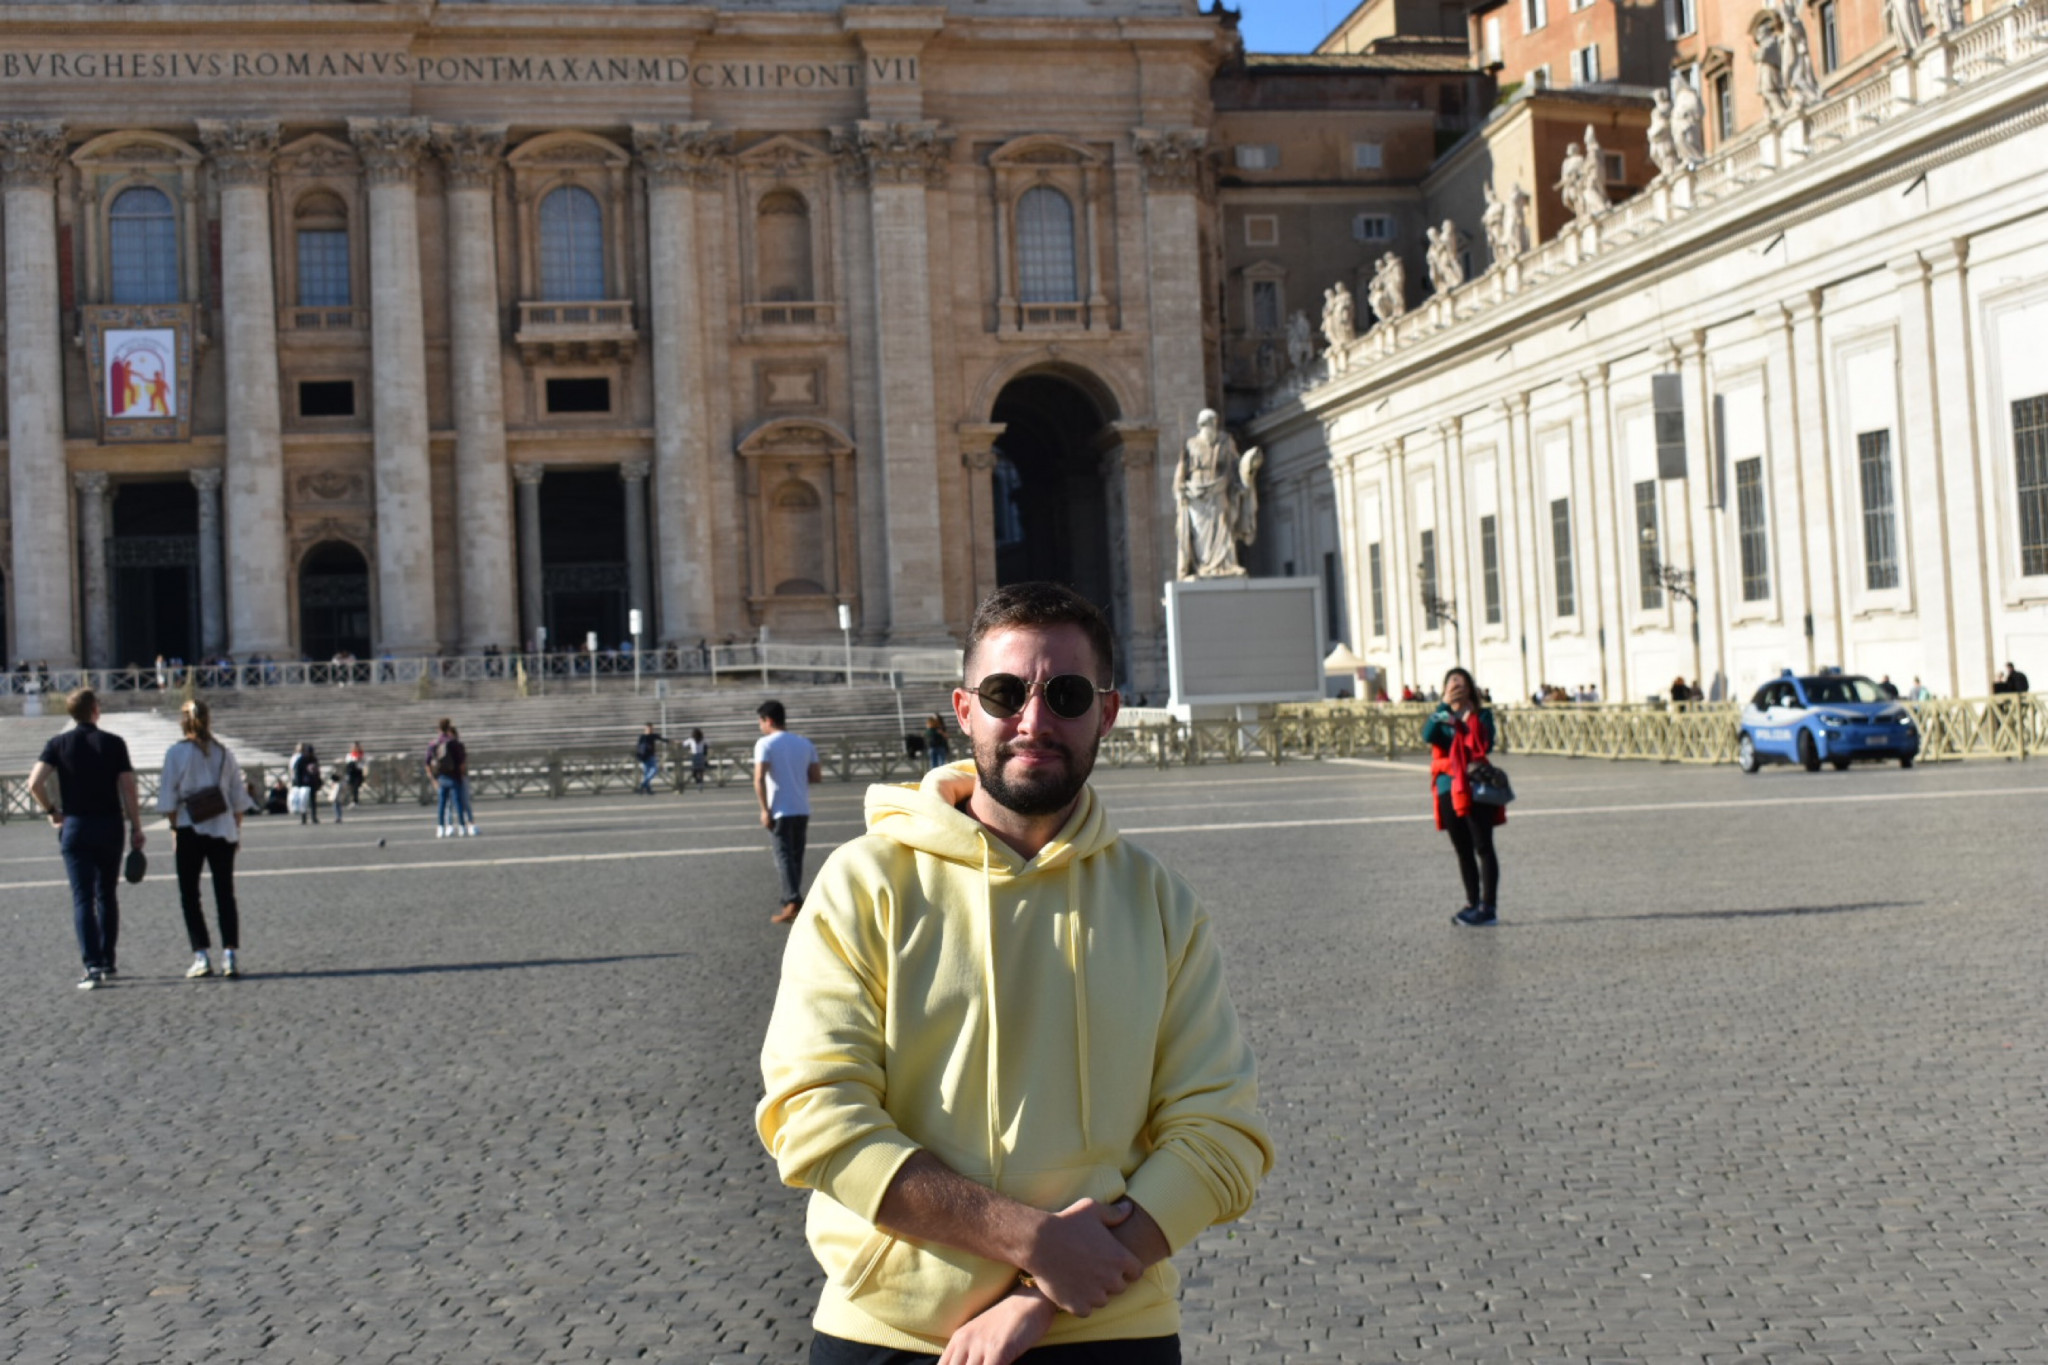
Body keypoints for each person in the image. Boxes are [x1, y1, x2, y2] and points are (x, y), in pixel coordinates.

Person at [757, 582, 1273, 1364]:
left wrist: (1044, 1292)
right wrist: (1031, 1240)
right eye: (1005, 693)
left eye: (1067, 695)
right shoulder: (863, 884)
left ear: (1108, 712)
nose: (1034, 720)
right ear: (964, 710)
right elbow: (813, 1115)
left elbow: (1222, 1132)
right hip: (893, 1328)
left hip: (1109, 1327)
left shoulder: (1161, 904)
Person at [26, 689, 146, 990]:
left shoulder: (58, 744)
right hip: (110, 825)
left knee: (83, 898)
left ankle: (91, 965)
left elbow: (34, 783)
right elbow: (129, 788)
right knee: (107, 894)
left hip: (76, 826)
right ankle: (107, 960)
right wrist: (136, 827)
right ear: (95, 709)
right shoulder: (114, 743)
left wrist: (52, 811)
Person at [158, 699, 251, 980]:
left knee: (190, 895)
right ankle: (230, 954)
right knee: (225, 893)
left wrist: (174, 829)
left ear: (183, 721)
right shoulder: (224, 753)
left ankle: (201, 955)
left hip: (190, 828)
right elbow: (238, 798)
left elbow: (168, 798)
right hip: (223, 828)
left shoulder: (176, 753)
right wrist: (236, 831)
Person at [1425, 667, 1506, 927]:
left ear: (1470, 687)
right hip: (1448, 787)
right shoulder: (1442, 715)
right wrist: (1444, 705)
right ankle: (1472, 903)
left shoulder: (1482, 715)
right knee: (1462, 849)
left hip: (1475, 785)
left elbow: (1485, 744)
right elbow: (1428, 735)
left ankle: (1488, 907)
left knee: (1483, 846)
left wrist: (1469, 717)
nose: (1456, 687)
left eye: (1460, 683)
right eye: (1451, 684)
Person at [753, 699, 821, 925]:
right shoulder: (804, 743)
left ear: (769, 720)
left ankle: (791, 902)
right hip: (801, 807)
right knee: (796, 857)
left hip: (780, 809)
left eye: (761, 721)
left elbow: (759, 778)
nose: (760, 726)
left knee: (783, 857)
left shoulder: (765, 744)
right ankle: (794, 901)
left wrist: (764, 809)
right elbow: (816, 776)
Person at [427, 718, 475, 837]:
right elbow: (461, 763)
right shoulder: (454, 743)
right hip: (454, 776)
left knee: (442, 804)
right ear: (449, 728)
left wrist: (433, 778)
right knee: (458, 802)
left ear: (438, 729)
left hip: (441, 777)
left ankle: (441, 827)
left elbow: (427, 762)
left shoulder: (434, 743)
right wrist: (462, 776)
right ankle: (462, 827)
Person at [290, 743, 324, 825]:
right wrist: (299, 783)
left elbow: (317, 771)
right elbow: (297, 772)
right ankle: (304, 817)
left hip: (312, 783)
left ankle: (314, 817)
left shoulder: (314, 759)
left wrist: (319, 781)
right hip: (304, 784)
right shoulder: (301, 760)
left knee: (313, 801)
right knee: (303, 801)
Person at [635, 722, 664, 795]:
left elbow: (662, 739)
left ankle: (642, 785)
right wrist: (639, 755)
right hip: (645, 757)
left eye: (651, 729)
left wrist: (672, 741)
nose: (650, 730)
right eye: (649, 728)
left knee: (654, 770)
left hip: (651, 756)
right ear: (645, 728)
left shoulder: (653, 735)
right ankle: (648, 789)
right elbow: (638, 746)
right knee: (646, 773)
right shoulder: (642, 737)